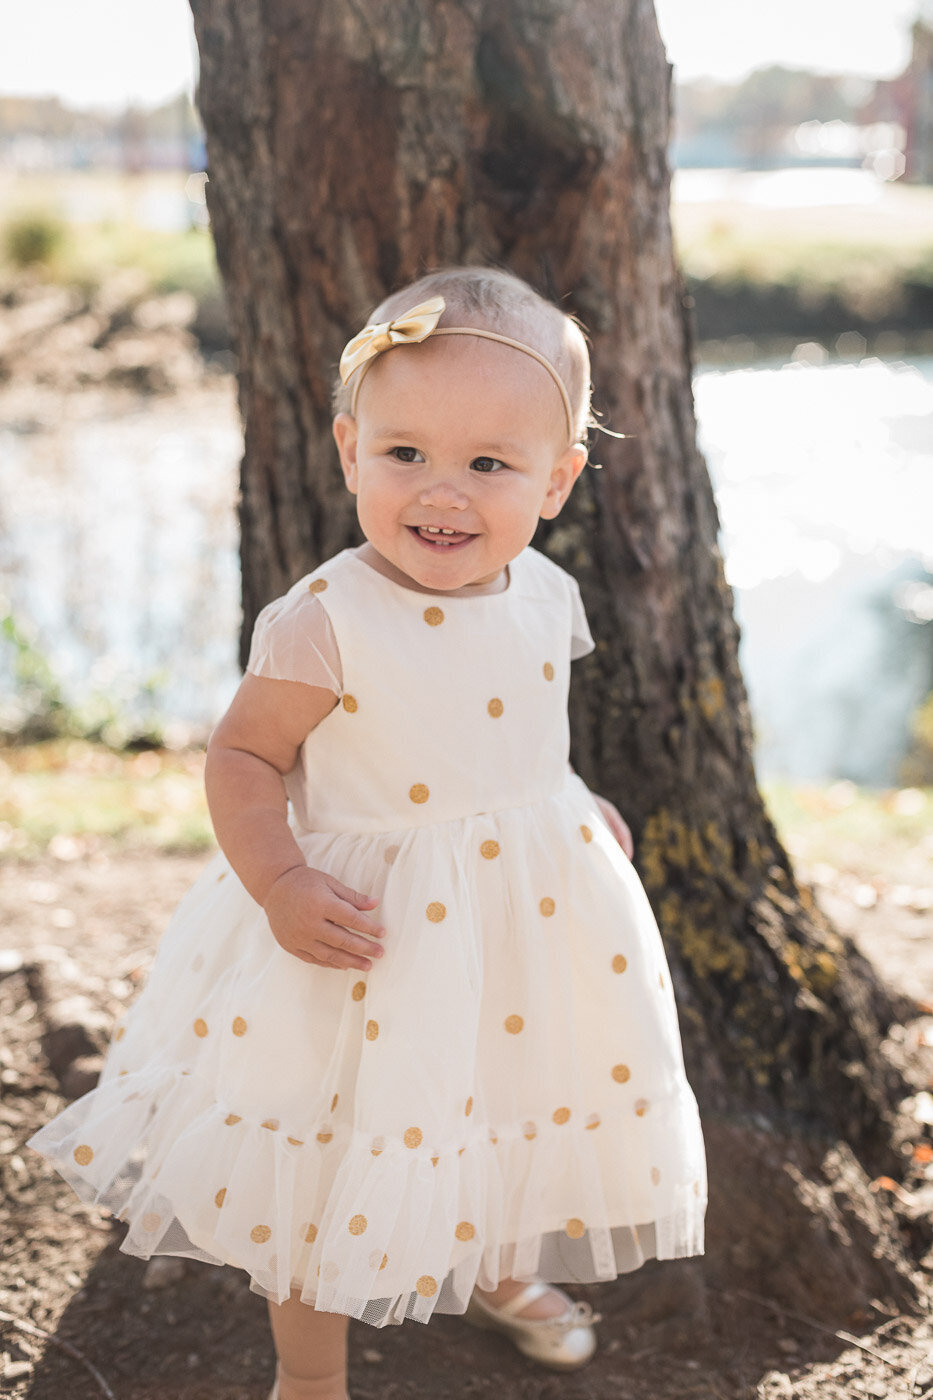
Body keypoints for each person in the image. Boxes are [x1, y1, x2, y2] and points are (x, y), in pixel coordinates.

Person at [29, 266, 707, 1400]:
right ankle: (311, 1370)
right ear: (351, 451)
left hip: (526, 910)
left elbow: (516, 724)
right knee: (326, 1150)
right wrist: (281, 878)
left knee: (513, 1094)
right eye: (405, 454)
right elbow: (244, 757)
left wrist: (565, 794)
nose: (442, 492)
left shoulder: (543, 591)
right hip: (365, 931)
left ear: (557, 480)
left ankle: (498, 1268)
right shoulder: (325, 618)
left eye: (490, 463)